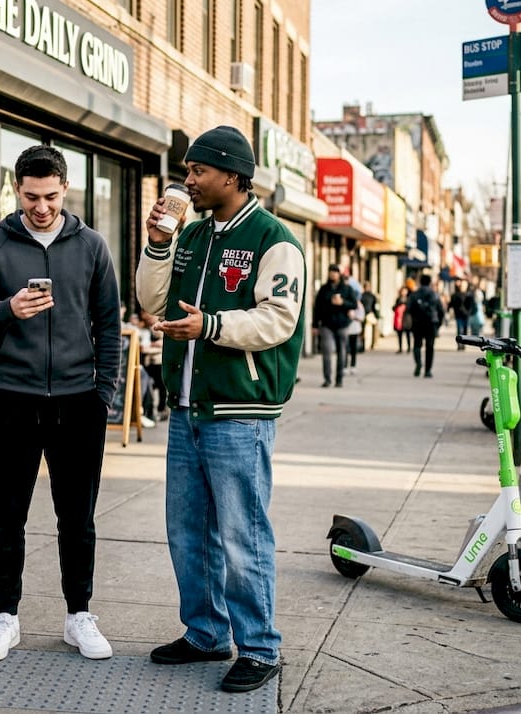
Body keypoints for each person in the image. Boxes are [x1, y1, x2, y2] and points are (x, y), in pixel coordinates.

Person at [135, 125, 305, 694]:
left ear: (231, 175)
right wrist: (159, 243)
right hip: (186, 409)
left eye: (197, 171)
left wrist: (210, 325)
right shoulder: (193, 235)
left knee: (242, 533)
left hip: (240, 411)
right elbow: (151, 301)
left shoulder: (273, 238)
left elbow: (278, 319)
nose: (188, 180)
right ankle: (206, 632)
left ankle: (260, 647)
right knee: (187, 530)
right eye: (188, 171)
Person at [0, 145, 121, 664]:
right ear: (17, 190)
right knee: (6, 515)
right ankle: (5, 615)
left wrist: (104, 396)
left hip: (78, 402)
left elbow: (110, 326)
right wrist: (9, 309)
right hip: (11, 399)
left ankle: (79, 616)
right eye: (31, 196)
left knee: (78, 518)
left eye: (51, 196)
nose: (42, 207)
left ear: (65, 190)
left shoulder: (92, 246)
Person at [311, 265, 356, 388]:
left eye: (335, 272)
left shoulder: (347, 289)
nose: (333, 275)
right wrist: (314, 325)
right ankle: (327, 379)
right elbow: (317, 307)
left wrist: (343, 303)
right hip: (326, 324)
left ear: (339, 274)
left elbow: (354, 304)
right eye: (331, 272)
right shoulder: (324, 289)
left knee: (342, 352)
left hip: (342, 324)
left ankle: (339, 378)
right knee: (327, 351)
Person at [406, 273, 443, 378]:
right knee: (430, 347)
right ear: (430, 282)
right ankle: (428, 370)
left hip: (417, 323)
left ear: (420, 282)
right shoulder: (434, 294)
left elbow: (408, 309)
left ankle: (418, 363)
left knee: (417, 345)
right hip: (431, 323)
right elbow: (441, 311)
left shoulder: (414, 294)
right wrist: (438, 324)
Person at [450, 278, 474, 350]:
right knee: (460, 330)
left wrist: (469, 312)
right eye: (462, 285)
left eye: (464, 285)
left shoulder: (469, 295)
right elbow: (452, 304)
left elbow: (472, 305)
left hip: (466, 316)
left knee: (465, 330)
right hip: (458, 315)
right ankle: (459, 344)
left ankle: (464, 344)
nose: (463, 286)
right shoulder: (455, 294)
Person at [359, 280, 379, 350]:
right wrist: (377, 316)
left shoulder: (362, 296)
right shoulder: (370, 296)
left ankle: (372, 343)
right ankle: (371, 343)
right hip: (366, 314)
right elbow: (375, 307)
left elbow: (375, 306)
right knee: (366, 330)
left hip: (367, 314)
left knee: (365, 330)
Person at [393, 286, 412, 353]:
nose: (404, 292)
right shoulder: (398, 299)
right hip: (399, 320)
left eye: (405, 291)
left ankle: (409, 348)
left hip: (406, 319)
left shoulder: (409, 299)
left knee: (407, 334)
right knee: (399, 335)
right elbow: (394, 307)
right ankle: (400, 348)